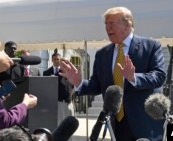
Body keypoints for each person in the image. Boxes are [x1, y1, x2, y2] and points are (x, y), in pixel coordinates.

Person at [60, 7, 166, 141]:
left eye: (111, 23)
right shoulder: (102, 54)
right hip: (117, 124)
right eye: (106, 24)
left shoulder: (151, 46)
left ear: (127, 24)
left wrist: (134, 78)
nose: (107, 28)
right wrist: (78, 82)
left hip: (145, 124)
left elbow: (159, 76)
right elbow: (96, 86)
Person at [43, 49, 74, 126]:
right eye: (55, 59)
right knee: (55, 124)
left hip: (65, 101)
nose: (56, 61)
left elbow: (71, 86)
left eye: (58, 59)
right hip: (52, 102)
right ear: (52, 60)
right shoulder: (46, 72)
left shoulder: (65, 71)